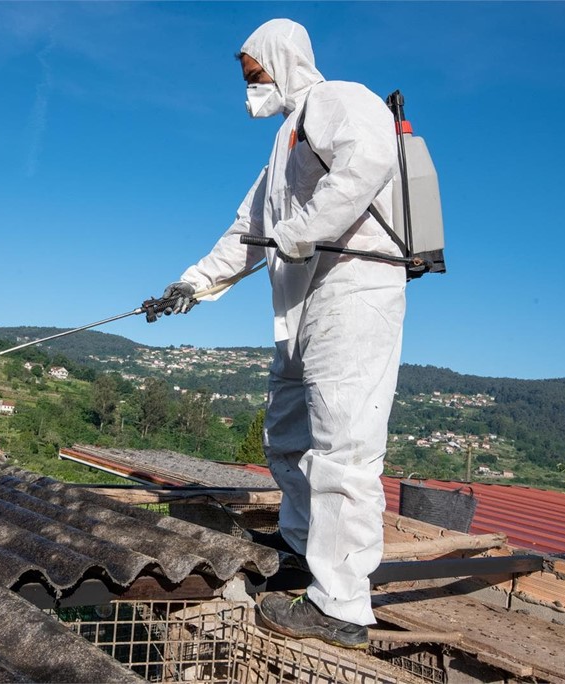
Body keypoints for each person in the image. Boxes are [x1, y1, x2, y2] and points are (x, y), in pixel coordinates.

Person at [159, 18, 406, 649]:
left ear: (283, 60)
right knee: (289, 436)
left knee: (343, 447)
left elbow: (369, 161)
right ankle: (301, 549)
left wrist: (302, 231)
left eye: (254, 73)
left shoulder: (339, 99)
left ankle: (343, 605)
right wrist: (191, 284)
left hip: (354, 293)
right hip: (300, 306)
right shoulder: (285, 141)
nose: (248, 87)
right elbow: (248, 231)